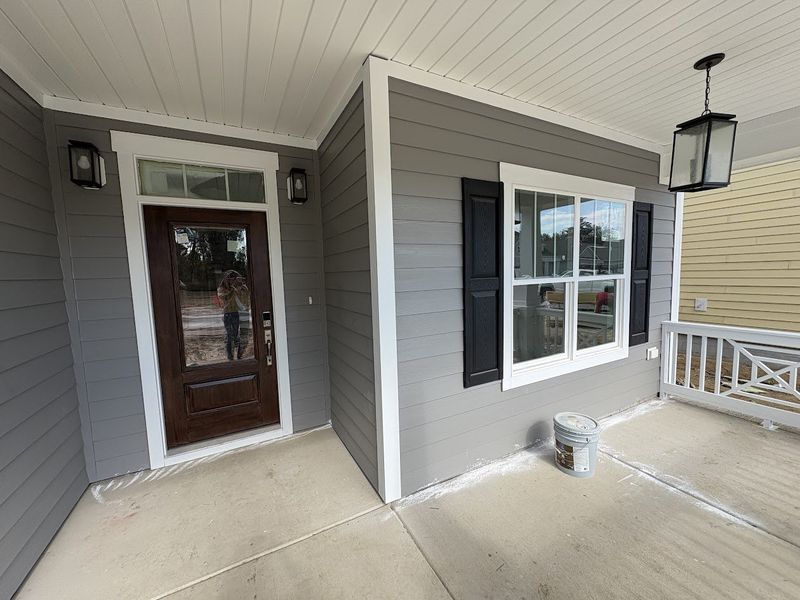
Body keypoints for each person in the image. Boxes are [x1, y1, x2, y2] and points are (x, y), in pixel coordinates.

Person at [217, 270, 250, 360]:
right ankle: (230, 358)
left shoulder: (242, 287)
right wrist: (233, 288)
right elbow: (225, 298)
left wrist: (241, 288)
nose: (234, 281)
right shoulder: (222, 288)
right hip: (230, 314)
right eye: (231, 279)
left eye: (235, 279)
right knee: (231, 337)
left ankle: (240, 356)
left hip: (243, 313)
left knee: (244, 337)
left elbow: (246, 301)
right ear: (226, 280)